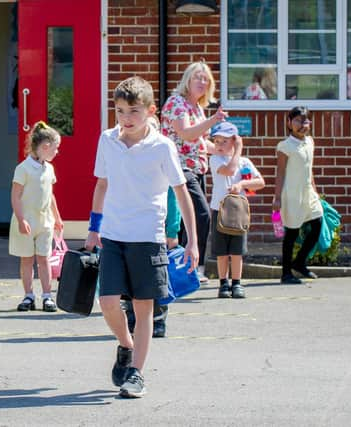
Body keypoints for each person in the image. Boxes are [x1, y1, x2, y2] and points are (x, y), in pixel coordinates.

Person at [85, 76, 198, 398]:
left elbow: (181, 190)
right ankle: (126, 344)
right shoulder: (107, 140)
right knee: (107, 302)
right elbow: (101, 184)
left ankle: (136, 373)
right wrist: (93, 228)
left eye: (133, 111)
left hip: (148, 236)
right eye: (120, 110)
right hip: (113, 235)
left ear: (150, 111)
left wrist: (192, 241)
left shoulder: (162, 146)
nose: (126, 118)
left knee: (143, 306)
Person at [161, 61, 227, 282]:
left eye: (206, 79)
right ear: (187, 80)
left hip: (197, 169)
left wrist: (220, 149)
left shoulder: (197, 107)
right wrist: (213, 120)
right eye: (197, 77)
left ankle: (182, 269)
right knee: (200, 215)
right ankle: (190, 266)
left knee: (181, 221)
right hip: (179, 169)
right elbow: (186, 133)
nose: (202, 81)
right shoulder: (176, 102)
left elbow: (199, 142)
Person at [121, 115, 180, 338]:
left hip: (157, 232)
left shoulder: (163, 161)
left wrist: (172, 231)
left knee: (157, 279)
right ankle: (132, 318)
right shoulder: (128, 163)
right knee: (130, 278)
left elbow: (174, 202)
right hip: (129, 231)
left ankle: (158, 319)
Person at [8, 121, 63, 312]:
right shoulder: (23, 169)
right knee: (27, 259)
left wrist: (57, 217)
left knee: (44, 258)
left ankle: (47, 296)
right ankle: (28, 295)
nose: (57, 152)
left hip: (44, 222)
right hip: (26, 221)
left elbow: (50, 194)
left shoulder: (49, 169)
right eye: (56, 148)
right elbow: (15, 195)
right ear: (45, 147)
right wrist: (21, 219)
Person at [209, 121, 265, 298]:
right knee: (222, 251)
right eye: (216, 141)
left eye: (224, 141)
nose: (219, 145)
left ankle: (237, 282)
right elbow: (229, 170)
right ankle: (223, 282)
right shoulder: (215, 159)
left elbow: (260, 182)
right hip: (219, 210)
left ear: (234, 141)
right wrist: (238, 151)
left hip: (238, 211)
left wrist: (242, 183)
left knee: (236, 250)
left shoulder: (245, 162)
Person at [273, 107, 323, 284]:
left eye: (306, 121)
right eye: (298, 120)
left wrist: (315, 191)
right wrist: (277, 197)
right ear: (289, 123)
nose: (302, 124)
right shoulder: (285, 146)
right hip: (292, 195)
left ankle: (299, 262)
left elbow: (310, 169)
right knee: (292, 233)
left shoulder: (310, 141)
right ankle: (286, 273)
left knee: (317, 225)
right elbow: (280, 173)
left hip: (308, 193)